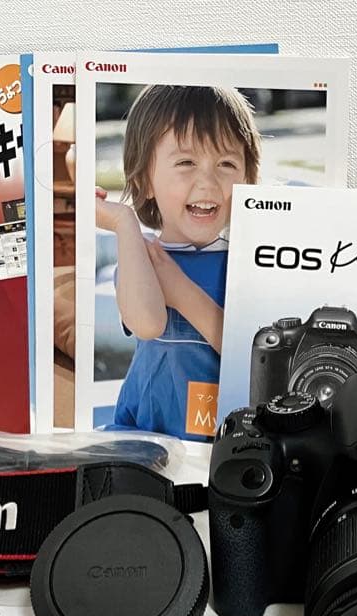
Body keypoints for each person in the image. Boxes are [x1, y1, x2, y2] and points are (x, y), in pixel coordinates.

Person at [95, 84, 260, 440]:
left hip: (221, 441)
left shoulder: (250, 263)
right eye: (186, 163)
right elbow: (147, 323)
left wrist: (180, 290)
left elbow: (252, 356)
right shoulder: (142, 257)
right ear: (145, 180)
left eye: (226, 164)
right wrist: (123, 223)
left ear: (248, 179)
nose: (208, 182)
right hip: (146, 436)